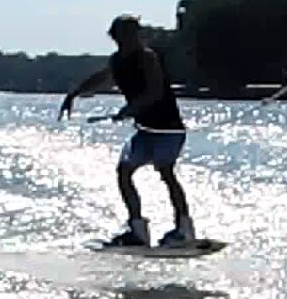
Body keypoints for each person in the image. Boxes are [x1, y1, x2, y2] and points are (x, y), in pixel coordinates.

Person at [59, 14, 196, 248]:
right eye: (121, 36)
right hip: (144, 130)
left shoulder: (148, 58)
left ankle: (184, 229)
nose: (127, 40)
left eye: (131, 35)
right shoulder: (117, 60)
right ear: (115, 36)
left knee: (166, 172)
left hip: (168, 129)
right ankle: (138, 230)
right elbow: (102, 78)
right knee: (124, 172)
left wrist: (130, 108)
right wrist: (74, 94)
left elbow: (154, 91)